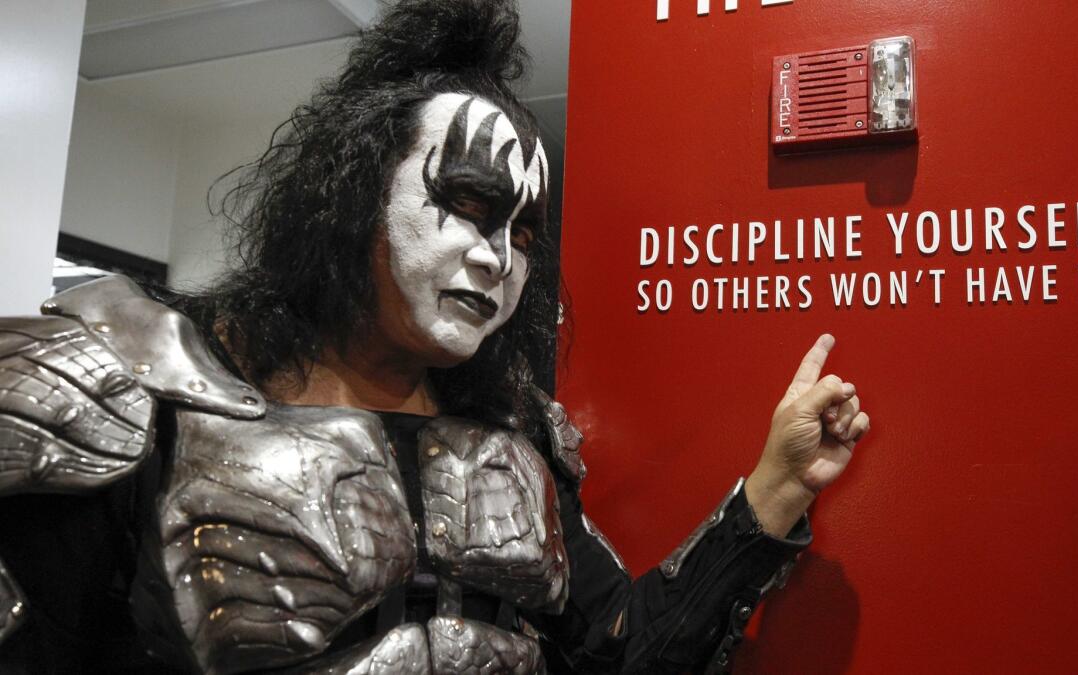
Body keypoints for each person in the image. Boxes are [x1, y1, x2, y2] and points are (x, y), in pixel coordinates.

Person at [0, 1, 869, 672]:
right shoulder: (135, 387)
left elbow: (620, 651)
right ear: (349, 198)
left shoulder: (515, 436)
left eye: (523, 234)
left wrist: (776, 484)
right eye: (467, 204)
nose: (495, 259)